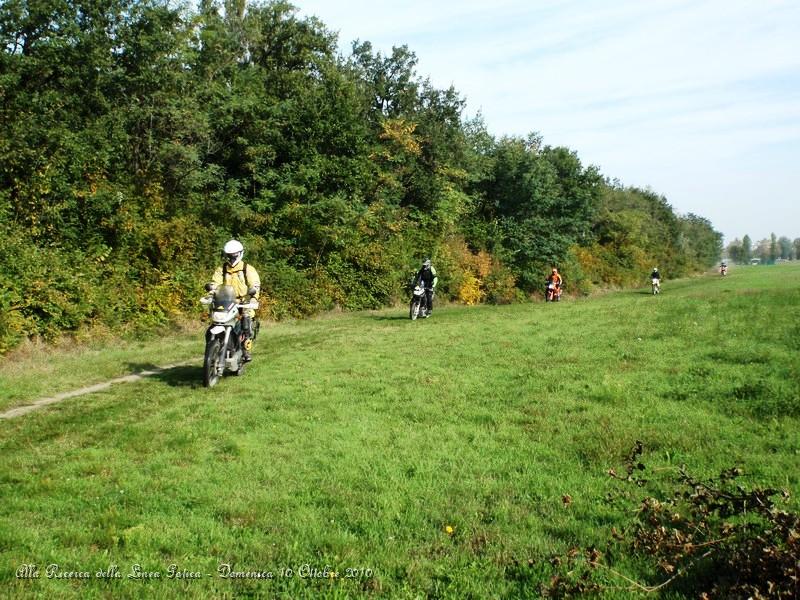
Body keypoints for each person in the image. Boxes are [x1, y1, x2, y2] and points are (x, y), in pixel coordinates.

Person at [207, 240, 261, 361]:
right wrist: (211, 292)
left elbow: (255, 285)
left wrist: (253, 298)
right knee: (214, 324)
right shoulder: (222, 269)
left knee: (246, 321)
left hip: (243, 302)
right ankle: (212, 348)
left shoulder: (247, 269)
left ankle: (246, 350)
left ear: (240, 254)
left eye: (234, 255)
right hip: (226, 301)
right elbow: (215, 283)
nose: (231, 258)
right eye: (229, 256)